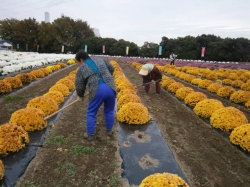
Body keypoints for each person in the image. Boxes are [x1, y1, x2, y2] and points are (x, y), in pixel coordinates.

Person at [75, 50, 116, 141]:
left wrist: (80, 95)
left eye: (77, 62)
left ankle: (90, 135)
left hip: (97, 89)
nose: (78, 64)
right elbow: (112, 68)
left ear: (81, 60)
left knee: (91, 112)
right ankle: (109, 131)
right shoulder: (101, 59)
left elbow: (79, 85)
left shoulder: (81, 68)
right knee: (109, 111)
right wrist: (107, 77)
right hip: (111, 87)